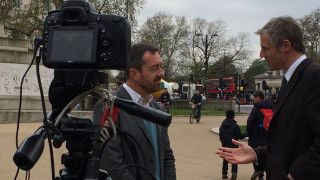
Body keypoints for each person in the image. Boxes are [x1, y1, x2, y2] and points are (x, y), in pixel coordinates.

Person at [217, 16, 320, 180]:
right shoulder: (291, 80)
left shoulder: (314, 77)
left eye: (266, 48)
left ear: (286, 45)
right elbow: (291, 142)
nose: (261, 54)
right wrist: (257, 154)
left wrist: (294, 176)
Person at [100, 44, 176, 180]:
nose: (161, 73)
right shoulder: (109, 106)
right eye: (154, 68)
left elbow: (167, 156)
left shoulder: (157, 108)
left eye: (160, 66)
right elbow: (112, 163)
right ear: (134, 74)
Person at [246, 91, 273, 180]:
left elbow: (250, 122)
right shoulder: (272, 107)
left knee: (256, 153)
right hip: (268, 134)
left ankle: (258, 171)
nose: (254, 99)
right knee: (267, 153)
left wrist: (249, 132)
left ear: (258, 98)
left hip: (256, 135)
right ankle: (267, 172)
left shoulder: (256, 108)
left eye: (254, 98)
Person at [219, 110, 247, 180]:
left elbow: (221, 136)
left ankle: (224, 173)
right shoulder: (235, 126)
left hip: (225, 144)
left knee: (225, 159)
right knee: (234, 158)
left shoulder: (222, 126)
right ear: (233, 116)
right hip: (233, 145)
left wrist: (223, 142)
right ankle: (234, 172)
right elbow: (240, 136)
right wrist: (247, 133)